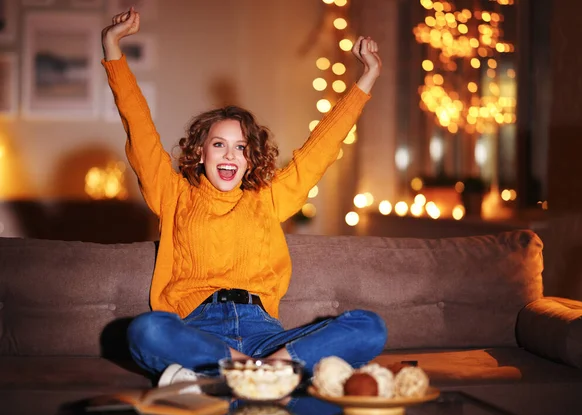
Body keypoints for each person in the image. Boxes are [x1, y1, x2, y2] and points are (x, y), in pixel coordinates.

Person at [101, 7, 387, 387]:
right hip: (199, 332)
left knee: (370, 327)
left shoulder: (268, 199)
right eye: (219, 144)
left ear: (250, 160)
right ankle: (258, 378)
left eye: (240, 147)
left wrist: (367, 76)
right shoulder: (173, 195)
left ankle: (236, 378)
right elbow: (139, 128)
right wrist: (111, 47)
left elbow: (321, 149)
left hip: (265, 336)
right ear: (200, 153)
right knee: (146, 331)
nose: (230, 155)